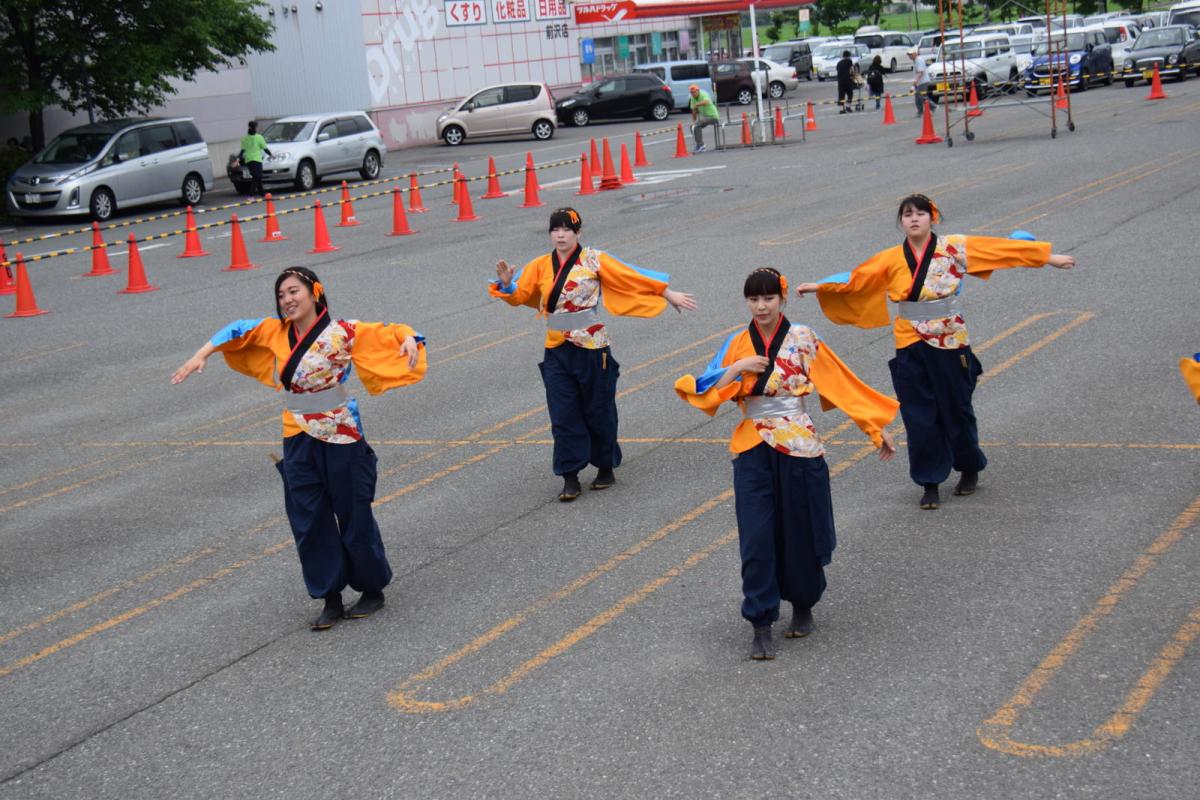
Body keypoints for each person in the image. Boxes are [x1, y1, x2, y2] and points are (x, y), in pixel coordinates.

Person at [171, 267, 426, 630]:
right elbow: (237, 329)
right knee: (308, 518)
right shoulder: (274, 331)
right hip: (296, 435)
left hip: (341, 431)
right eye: (281, 295)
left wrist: (409, 339)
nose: (287, 300)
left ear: (314, 293)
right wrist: (203, 353)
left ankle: (372, 589)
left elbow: (390, 331)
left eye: (294, 292)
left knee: (353, 512)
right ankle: (330, 596)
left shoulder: (343, 331)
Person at [794, 195, 1077, 510]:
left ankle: (969, 466)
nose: (914, 219)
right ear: (901, 222)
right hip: (909, 341)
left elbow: (998, 250)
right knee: (918, 415)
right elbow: (857, 279)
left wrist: (1048, 257)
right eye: (907, 214)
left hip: (950, 339)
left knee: (957, 407)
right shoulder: (890, 258)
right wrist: (820, 287)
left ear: (933, 218)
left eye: (920, 213)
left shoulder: (953, 247)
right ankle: (929, 481)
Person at [675, 268, 897, 661]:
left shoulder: (803, 338)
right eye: (753, 299)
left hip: (799, 443)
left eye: (768, 298)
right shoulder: (736, 343)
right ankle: (761, 622)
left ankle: (803, 602)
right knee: (756, 536)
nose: (761, 307)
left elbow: (841, 383)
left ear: (782, 299)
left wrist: (874, 428)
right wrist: (738, 368)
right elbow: (707, 388)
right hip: (752, 446)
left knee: (801, 530)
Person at [491, 208, 697, 501]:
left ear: (578, 233)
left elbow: (630, 276)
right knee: (562, 414)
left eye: (567, 229)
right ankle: (570, 476)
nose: (560, 235)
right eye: (555, 229)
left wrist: (667, 293)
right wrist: (507, 284)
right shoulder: (539, 265)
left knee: (598, 410)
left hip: (592, 347)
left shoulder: (594, 259)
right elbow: (520, 296)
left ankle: (605, 466)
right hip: (556, 348)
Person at [235, 120, 272, 196]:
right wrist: (271, 155)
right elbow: (265, 149)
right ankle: (251, 195)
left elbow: (242, 151)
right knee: (257, 176)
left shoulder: (244, 138)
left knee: (257, 177)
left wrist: (238, 159)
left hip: (248, 160)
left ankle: (263, 194)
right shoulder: (259, 137)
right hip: (257, 160)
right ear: (256, 127)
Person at [688, 84, 720, 153]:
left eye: (694, 92)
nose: (693, 94)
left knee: (697, 125)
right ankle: (699, 144)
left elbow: (707, 102)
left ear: (698, 90)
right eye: (691, 92)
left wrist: (697, 104)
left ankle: (701, 146)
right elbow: (694, 111)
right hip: (705, 117)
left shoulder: (703, 94)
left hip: (713, 116)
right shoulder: (692, 98)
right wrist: (694, 121)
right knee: (693, 126)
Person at [910, 49, 937, 117]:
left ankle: (932, 106)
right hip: (919, 82)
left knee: (921, 95)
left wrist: (915, 82)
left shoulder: (919, 60)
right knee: (918, 96)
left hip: (923, 81)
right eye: (909, 55)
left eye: (910, 54)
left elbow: (921, 72)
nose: (909, 56)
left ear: (915, 54)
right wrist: (914, 84)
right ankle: (920, 111)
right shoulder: (915, 60)